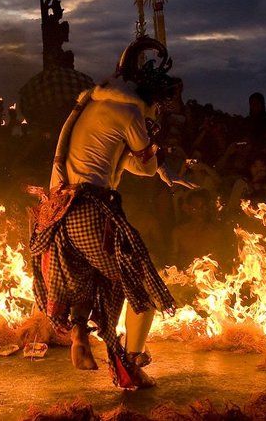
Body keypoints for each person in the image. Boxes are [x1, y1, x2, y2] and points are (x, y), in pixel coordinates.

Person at [29, 37, 195, 389]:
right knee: (142, 288)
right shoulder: (131, 113)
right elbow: (145, 166)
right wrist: (161, 158)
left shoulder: (93, 106)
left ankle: (80, 334)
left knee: (100, 279)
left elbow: (122, 160)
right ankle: (131, 367)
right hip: (89, 209)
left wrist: (158, 165)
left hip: (60, 214)